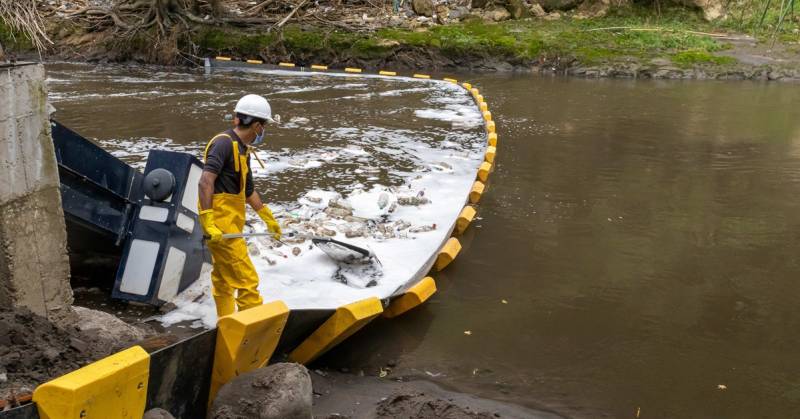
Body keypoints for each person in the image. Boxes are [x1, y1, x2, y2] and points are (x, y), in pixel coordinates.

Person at [198, 94, 281, 317]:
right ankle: (253, 334)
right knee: (247, 280)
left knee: (224, 278)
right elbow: (206, 181)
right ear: (256, 125)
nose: (263, 132)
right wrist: (208, 221)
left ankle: (226, 324)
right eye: (263, 127)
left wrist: (267, 217)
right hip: (221, 226)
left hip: (231, 224)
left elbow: (248, 191)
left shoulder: (243, 149)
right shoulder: (223, 143)